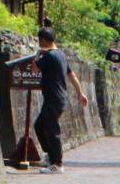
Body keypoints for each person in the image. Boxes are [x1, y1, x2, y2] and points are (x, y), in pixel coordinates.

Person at [32, 28, 89, 174]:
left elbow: (34, 69)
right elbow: (72, 75)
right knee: (39, 125)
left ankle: (57, 164)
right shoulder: (61, 55)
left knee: (52, 130)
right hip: (59, 98)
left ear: (44, 40)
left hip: (54, 98)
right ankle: (51, 156)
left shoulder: (49, 56)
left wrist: (38, 54)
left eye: (40, 41)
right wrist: (80, 93)